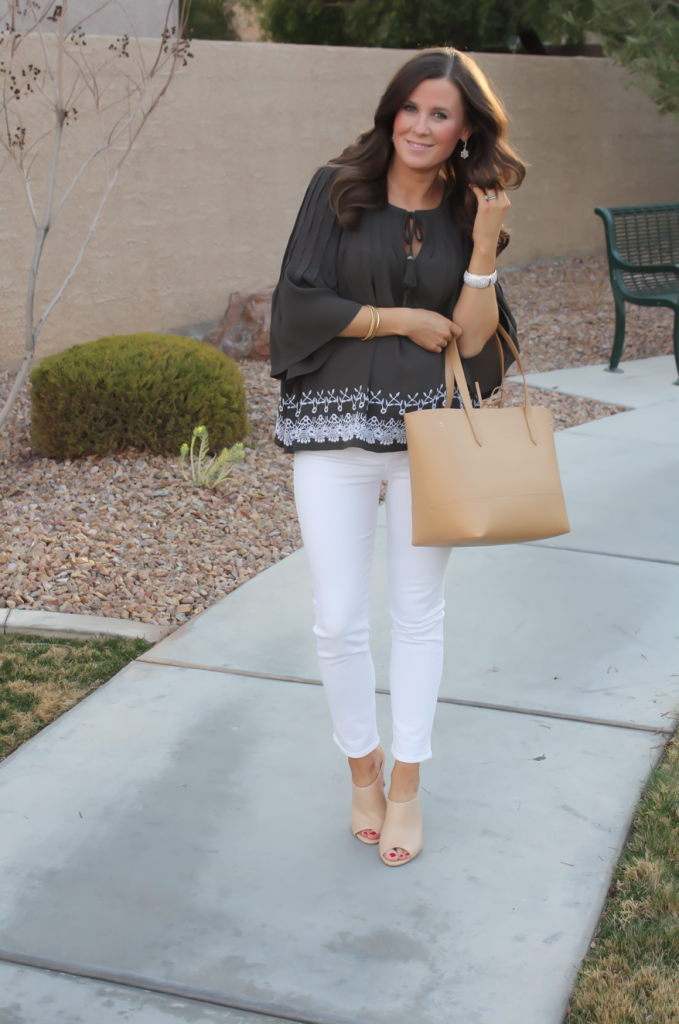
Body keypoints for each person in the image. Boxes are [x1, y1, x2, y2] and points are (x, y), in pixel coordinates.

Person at [269, 47, 525, 867]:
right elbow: (298, 301)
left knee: (418, 617)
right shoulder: (335, 188)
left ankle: (408, 781)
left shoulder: (468, 212)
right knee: (338, 619)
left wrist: (483, 247)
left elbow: (480, 340)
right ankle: (362, 769)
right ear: (392, 113)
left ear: (463, 130)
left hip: (429, 442)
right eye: (410, 108)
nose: (421, 125)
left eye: (440, 114)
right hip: (332, 436)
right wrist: (398, 321)